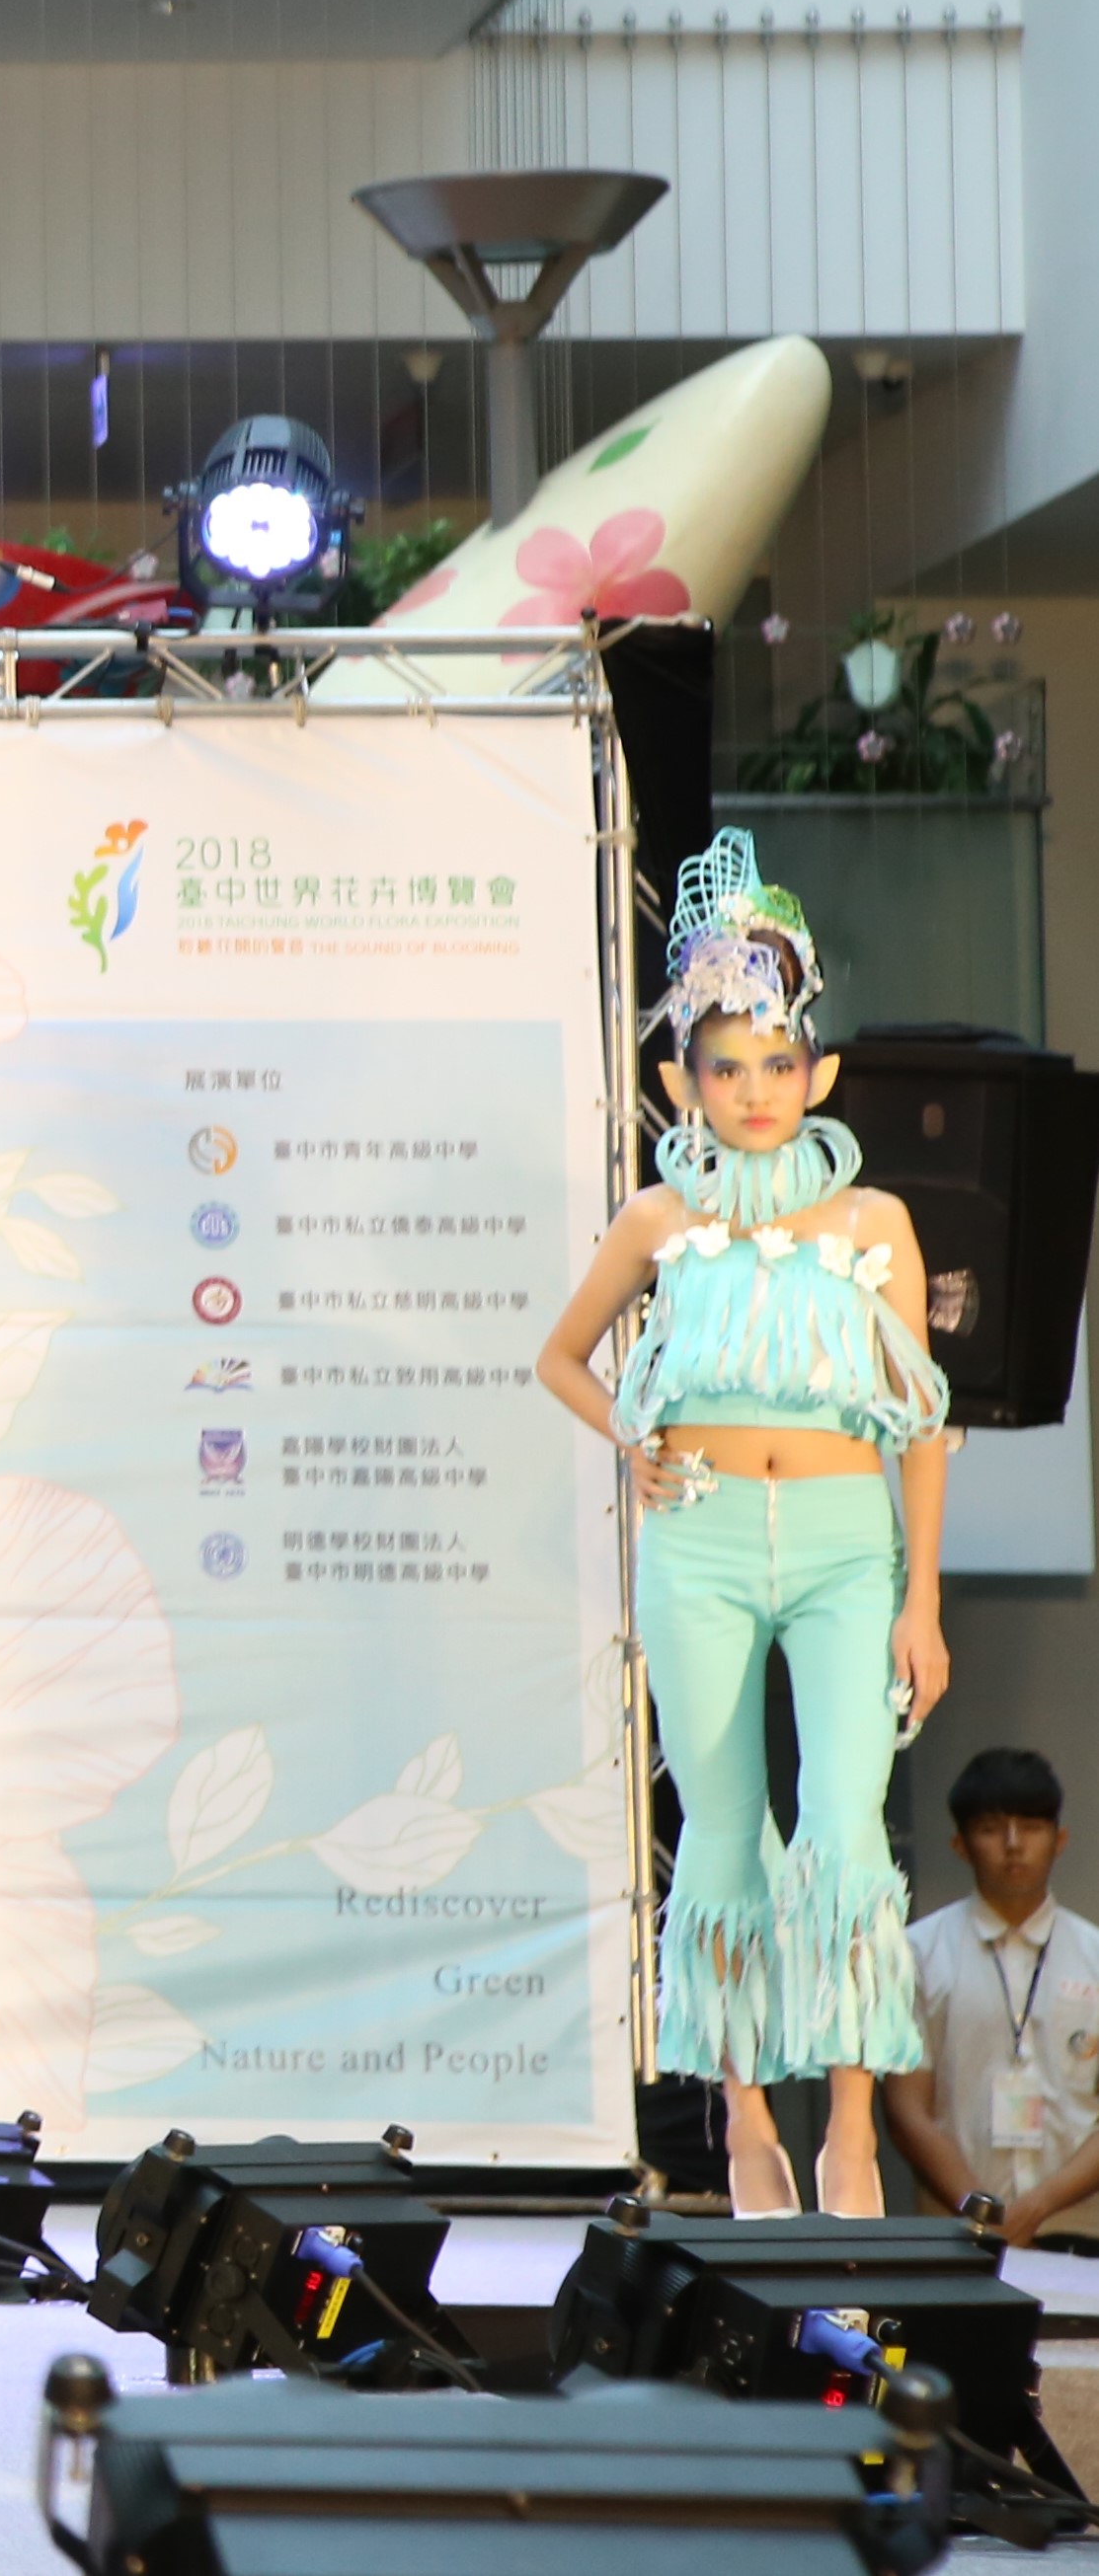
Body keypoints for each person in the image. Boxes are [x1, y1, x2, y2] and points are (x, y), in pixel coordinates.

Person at [534, 832, 948, 2219]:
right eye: (725, 1067)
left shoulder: (875, 1219)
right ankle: (743, 2116)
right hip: (698, 1542)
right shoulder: (657, 1216)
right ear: (682, 1082)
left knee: (841, 1825)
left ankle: (850, 2127)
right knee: (720, 1827)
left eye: (777, 1063)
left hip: (842, 1544)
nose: (754, 1091)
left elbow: (920, 1420)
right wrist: (631, 1433)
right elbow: (559, 1357)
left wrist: (922, 1599)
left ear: (817, 1072)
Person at [892, 1747, 1099, 2231]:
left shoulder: (1094, 1955)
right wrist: (982, 2209)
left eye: (1031, 1827)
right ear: (960, 1845)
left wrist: (1037, 2207)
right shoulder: (917, 1954)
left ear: (1060, 1839)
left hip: (1077, 2229)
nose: (1013, 1844)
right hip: (958, 2231)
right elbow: (906, 2110)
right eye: (990, 1828)